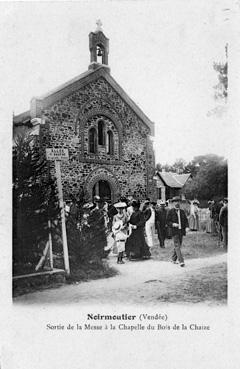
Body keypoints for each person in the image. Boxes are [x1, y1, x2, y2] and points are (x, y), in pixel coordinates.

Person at [166, 196, 189, 267]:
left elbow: (185, 220)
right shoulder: (170, 211)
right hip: (174, 231)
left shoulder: (182, 211)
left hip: (181, 231)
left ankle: (173, 259)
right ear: (173, 203)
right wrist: (173, 224)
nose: (177, 203)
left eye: (178, 201)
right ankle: (181, 261)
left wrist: (187, 227)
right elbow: (167, 221)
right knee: (177, 245)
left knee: (179, 245)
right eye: (175, 202)